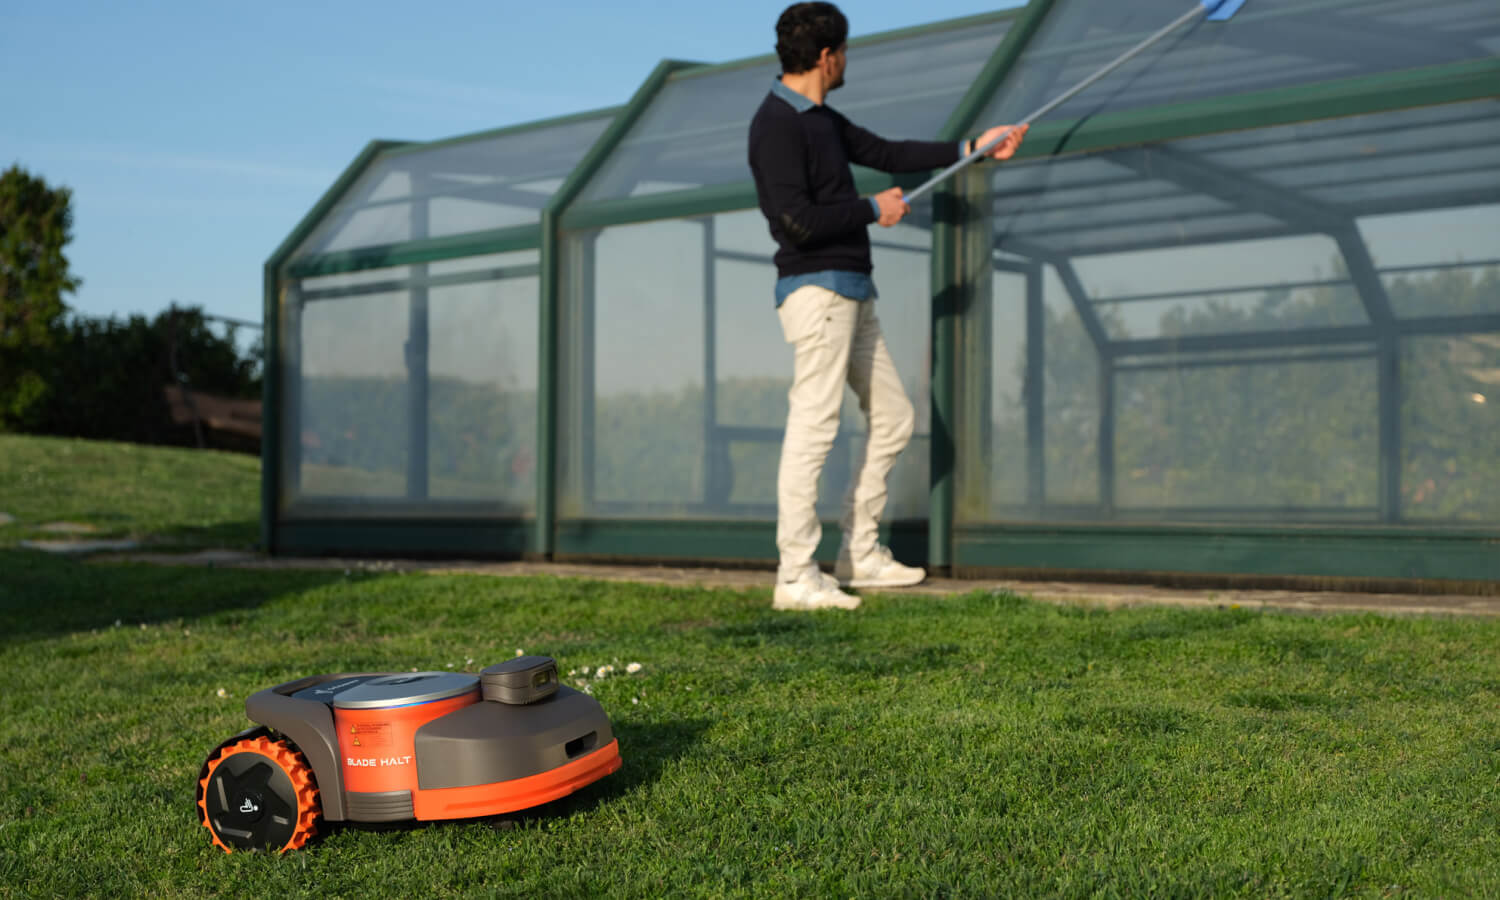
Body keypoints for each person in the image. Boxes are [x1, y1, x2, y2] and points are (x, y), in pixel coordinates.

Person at [748, 2, 1028, 611]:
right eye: (845, 52)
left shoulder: (823, 120)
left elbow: (888, 152)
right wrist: (873, 209)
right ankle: (795, 575)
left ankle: (859, 554)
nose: (847, 61)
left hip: (853, 290)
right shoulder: (775, 124)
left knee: (895, 416)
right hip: (817, 292)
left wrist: (974, 147)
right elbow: (795, 222)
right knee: (814, 427)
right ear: (828, 57)